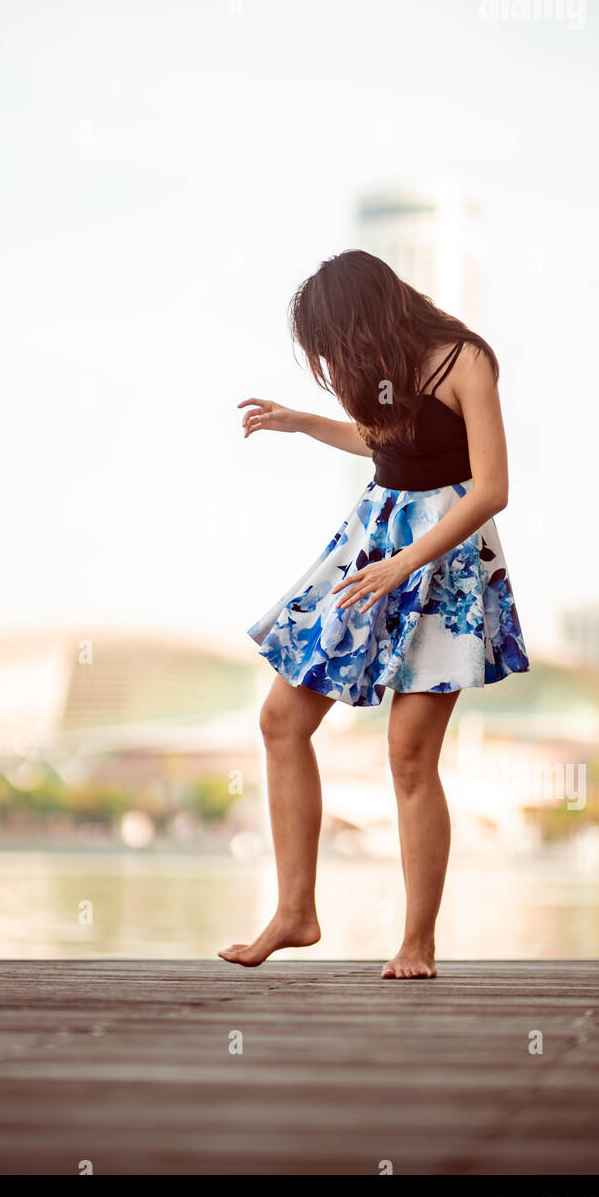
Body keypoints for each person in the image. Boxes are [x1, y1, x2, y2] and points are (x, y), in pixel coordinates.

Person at [219, 250, 529, 978]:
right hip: (373, 544)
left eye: (332, 337)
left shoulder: (464, 360)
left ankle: (416, 942)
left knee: (408, 756)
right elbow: (383, 443)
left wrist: (407, 561)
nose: (331, 356)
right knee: (280, 720)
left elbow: (491, 489)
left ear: (366, 316)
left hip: (442, 559)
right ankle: (295, 912)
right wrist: (302, 422)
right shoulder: (382, 372)